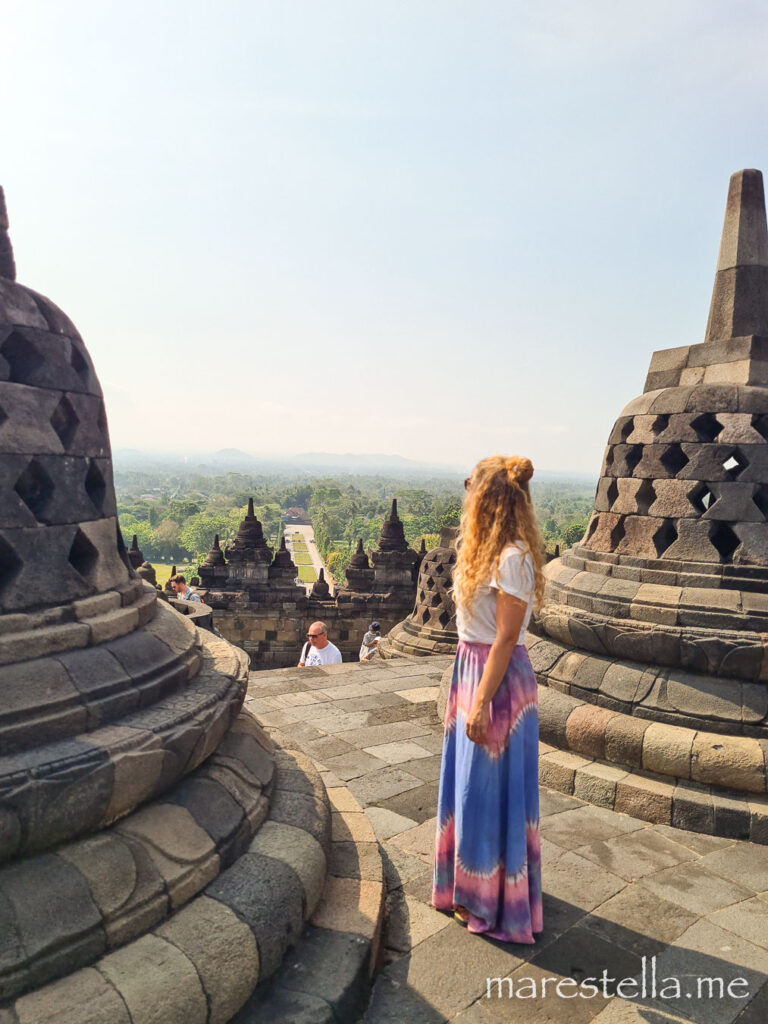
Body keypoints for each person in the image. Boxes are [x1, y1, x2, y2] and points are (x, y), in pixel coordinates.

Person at [432, 455, 545, 944]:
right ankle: (467, 885)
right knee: (467, 785)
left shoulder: (512, 558)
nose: (465, 495)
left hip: (496, 680)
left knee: (485, 789)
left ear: (489, 497)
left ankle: (490, 899)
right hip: (471, 669)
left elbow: (504, 638)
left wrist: (479, 702)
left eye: (470, 486)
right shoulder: (484, 551)